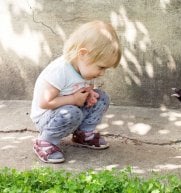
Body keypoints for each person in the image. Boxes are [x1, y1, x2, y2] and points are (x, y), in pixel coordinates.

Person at [30, 20, 121, 163]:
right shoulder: (60, 71)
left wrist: (89, 92)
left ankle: (83, 134)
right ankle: (45, 141)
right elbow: (45, 102)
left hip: (71, 109)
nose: (102, 73)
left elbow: (78, 87)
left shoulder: (83, 67)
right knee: (73, 112)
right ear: (83, 54)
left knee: (102, 98)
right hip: (48, 118)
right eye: (101, 67)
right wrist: (73, 99)